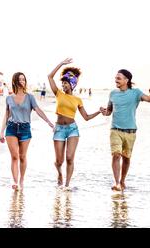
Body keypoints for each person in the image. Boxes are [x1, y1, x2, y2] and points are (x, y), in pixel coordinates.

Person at [48, 58, 101, 188]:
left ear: (72, 84)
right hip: (59, 129)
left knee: (70, 158)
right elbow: (50, 77)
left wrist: (99, 111)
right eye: (63, 83)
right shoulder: (58, 94)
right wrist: (60, 64)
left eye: (66, 83)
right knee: (59, 161)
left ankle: (67, 185)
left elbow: (86, 117)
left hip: (72, 129)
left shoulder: (77, 99)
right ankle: (60, 173)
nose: (63, 85)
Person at [100, 69, 150, 191]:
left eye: (119, 78)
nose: (116, 80)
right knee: (116, 155)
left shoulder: (135, 93)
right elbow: (109, 111)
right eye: (116, 78)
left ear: (127, 80)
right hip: (115, 130)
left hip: (130, 132)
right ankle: (116, 183)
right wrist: (105, 112)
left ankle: (122, 181)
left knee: (126, 158)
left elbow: (149, 99)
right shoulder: (113, 94)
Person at [0, 72, 54, 190]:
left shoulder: (30, 97)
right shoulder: (9, 98)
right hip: (11, 128)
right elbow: (7, 115)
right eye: (19, 80)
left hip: (25, 129)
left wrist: (48, 122)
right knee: (14, 157)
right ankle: (15, 182)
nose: (22, 82)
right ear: (15, 81)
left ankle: (21, 180)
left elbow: (38, 110)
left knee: (22, 156)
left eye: (23, 79)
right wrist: (1, 132)